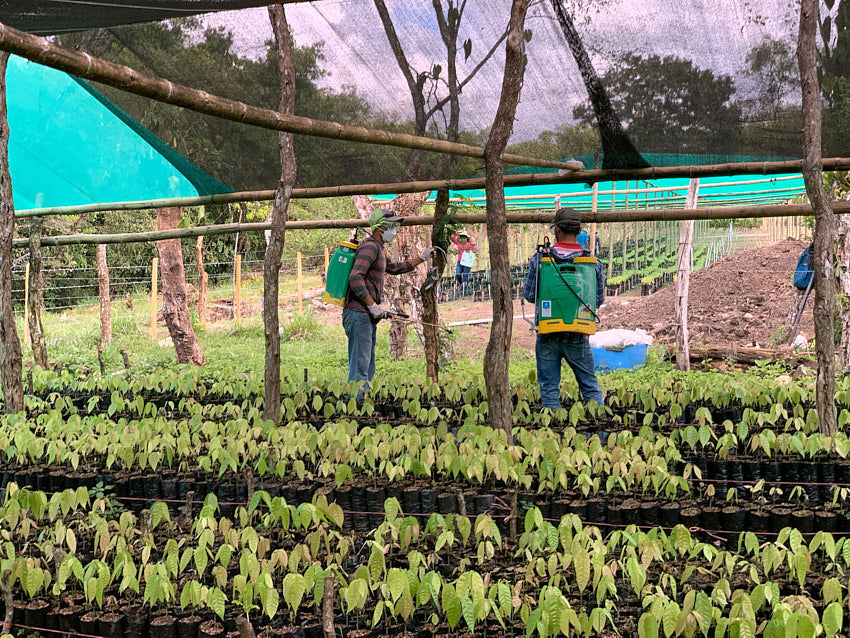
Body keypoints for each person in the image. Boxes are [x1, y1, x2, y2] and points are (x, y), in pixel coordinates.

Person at [344, 208, 434, 396]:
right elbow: (355, 277)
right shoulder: (369, 247)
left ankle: (361, 401)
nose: (396, 230)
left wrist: (421, 258)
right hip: (359, 313)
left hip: (365, 315)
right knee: (360, 365)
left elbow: (394, 268)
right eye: (392, 226)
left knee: (367, 363)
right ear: (380, 228)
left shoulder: (378, 249)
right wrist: (371, 305)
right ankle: (354, 407)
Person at [523, 207, 605, 410]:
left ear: (557, 230)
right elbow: (597, 299)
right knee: (589, 386)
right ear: (579, 231)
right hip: (577, 334)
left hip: (548, 332)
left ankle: (553, 432)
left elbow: (530, 295)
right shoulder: (593, 263)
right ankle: (599, 429)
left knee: (549, 387)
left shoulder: (540, 260)